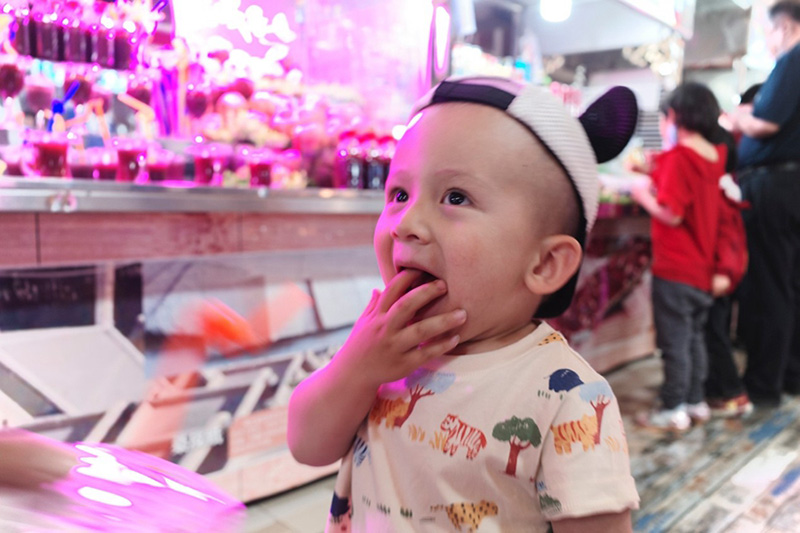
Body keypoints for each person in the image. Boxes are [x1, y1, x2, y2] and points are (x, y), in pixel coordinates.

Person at [288, 76, 640, 532]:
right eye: (399, 194)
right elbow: (307, 446)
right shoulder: (382, 350)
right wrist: (357, 369)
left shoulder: (567, 398)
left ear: (546, 263)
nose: (407, 223)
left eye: (455, 197)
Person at [631, 83, 728, 431]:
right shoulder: (715, 157)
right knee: (694, 339)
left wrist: (641, 194)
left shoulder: (679, 157)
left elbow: (671, 213)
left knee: (674, 342)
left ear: (675, 116)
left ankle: (672, 407)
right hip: (703, 268)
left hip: (675, 267)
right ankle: (694, 400)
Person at [728, 1, 800, 408]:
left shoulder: (793, 59)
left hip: (776, 184)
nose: (767, 43)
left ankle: (763, 385)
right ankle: (789, 375)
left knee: (770, 287)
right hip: (789, 183)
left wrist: (740, 117)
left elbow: (766, 123)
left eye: (767, 34)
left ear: (784, 28)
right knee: (790, 285)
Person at [704, 123, 752, 417]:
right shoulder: (727, 187)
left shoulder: (721, 191)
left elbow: (729, 238)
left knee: (715, 334)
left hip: (718, 276)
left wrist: (724, 272)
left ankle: (734, 392)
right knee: (713, 332)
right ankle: (717, 391)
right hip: (718, 274)